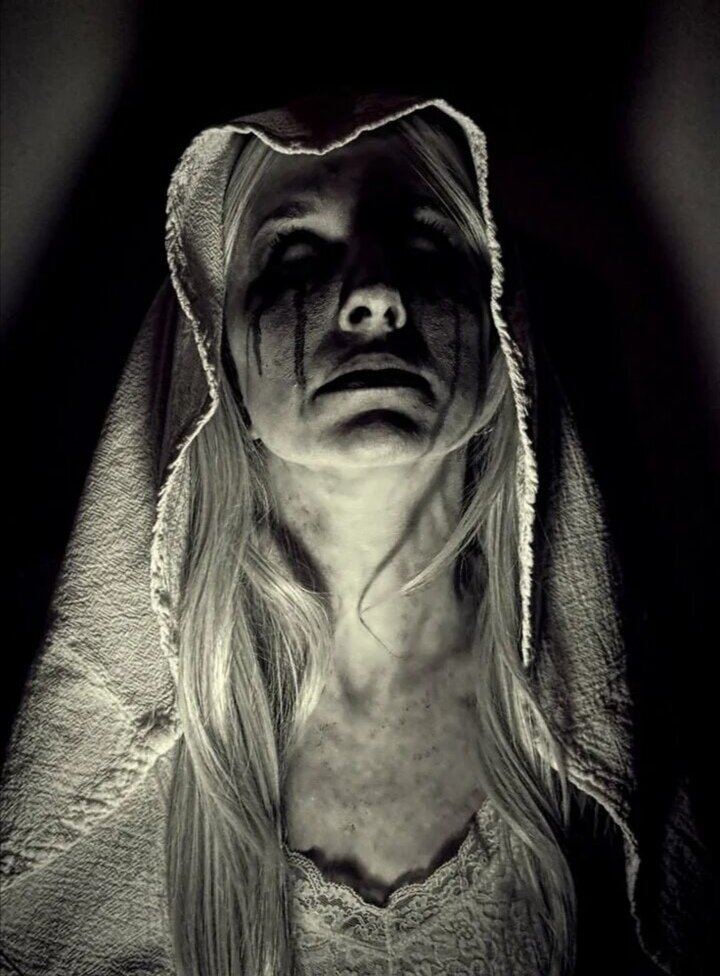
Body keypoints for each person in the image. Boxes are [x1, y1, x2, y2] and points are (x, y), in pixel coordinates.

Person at [0, 92, 700, 976]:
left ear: (501, 327)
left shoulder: (625, 744)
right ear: (217, 349)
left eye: (426, 244)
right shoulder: (82, 758)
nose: (374, 296)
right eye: (295, 253)